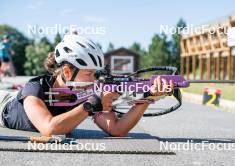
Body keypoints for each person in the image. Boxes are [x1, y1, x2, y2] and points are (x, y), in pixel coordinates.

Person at [0, 35, 173, 137]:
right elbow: (49, 128)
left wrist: (147, 97)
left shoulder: (86, 92)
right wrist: (93, 103)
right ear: (67, 72)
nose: (94, 79)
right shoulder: (35, 89)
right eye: (89, 74)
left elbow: (116, 129)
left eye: (95, 74)